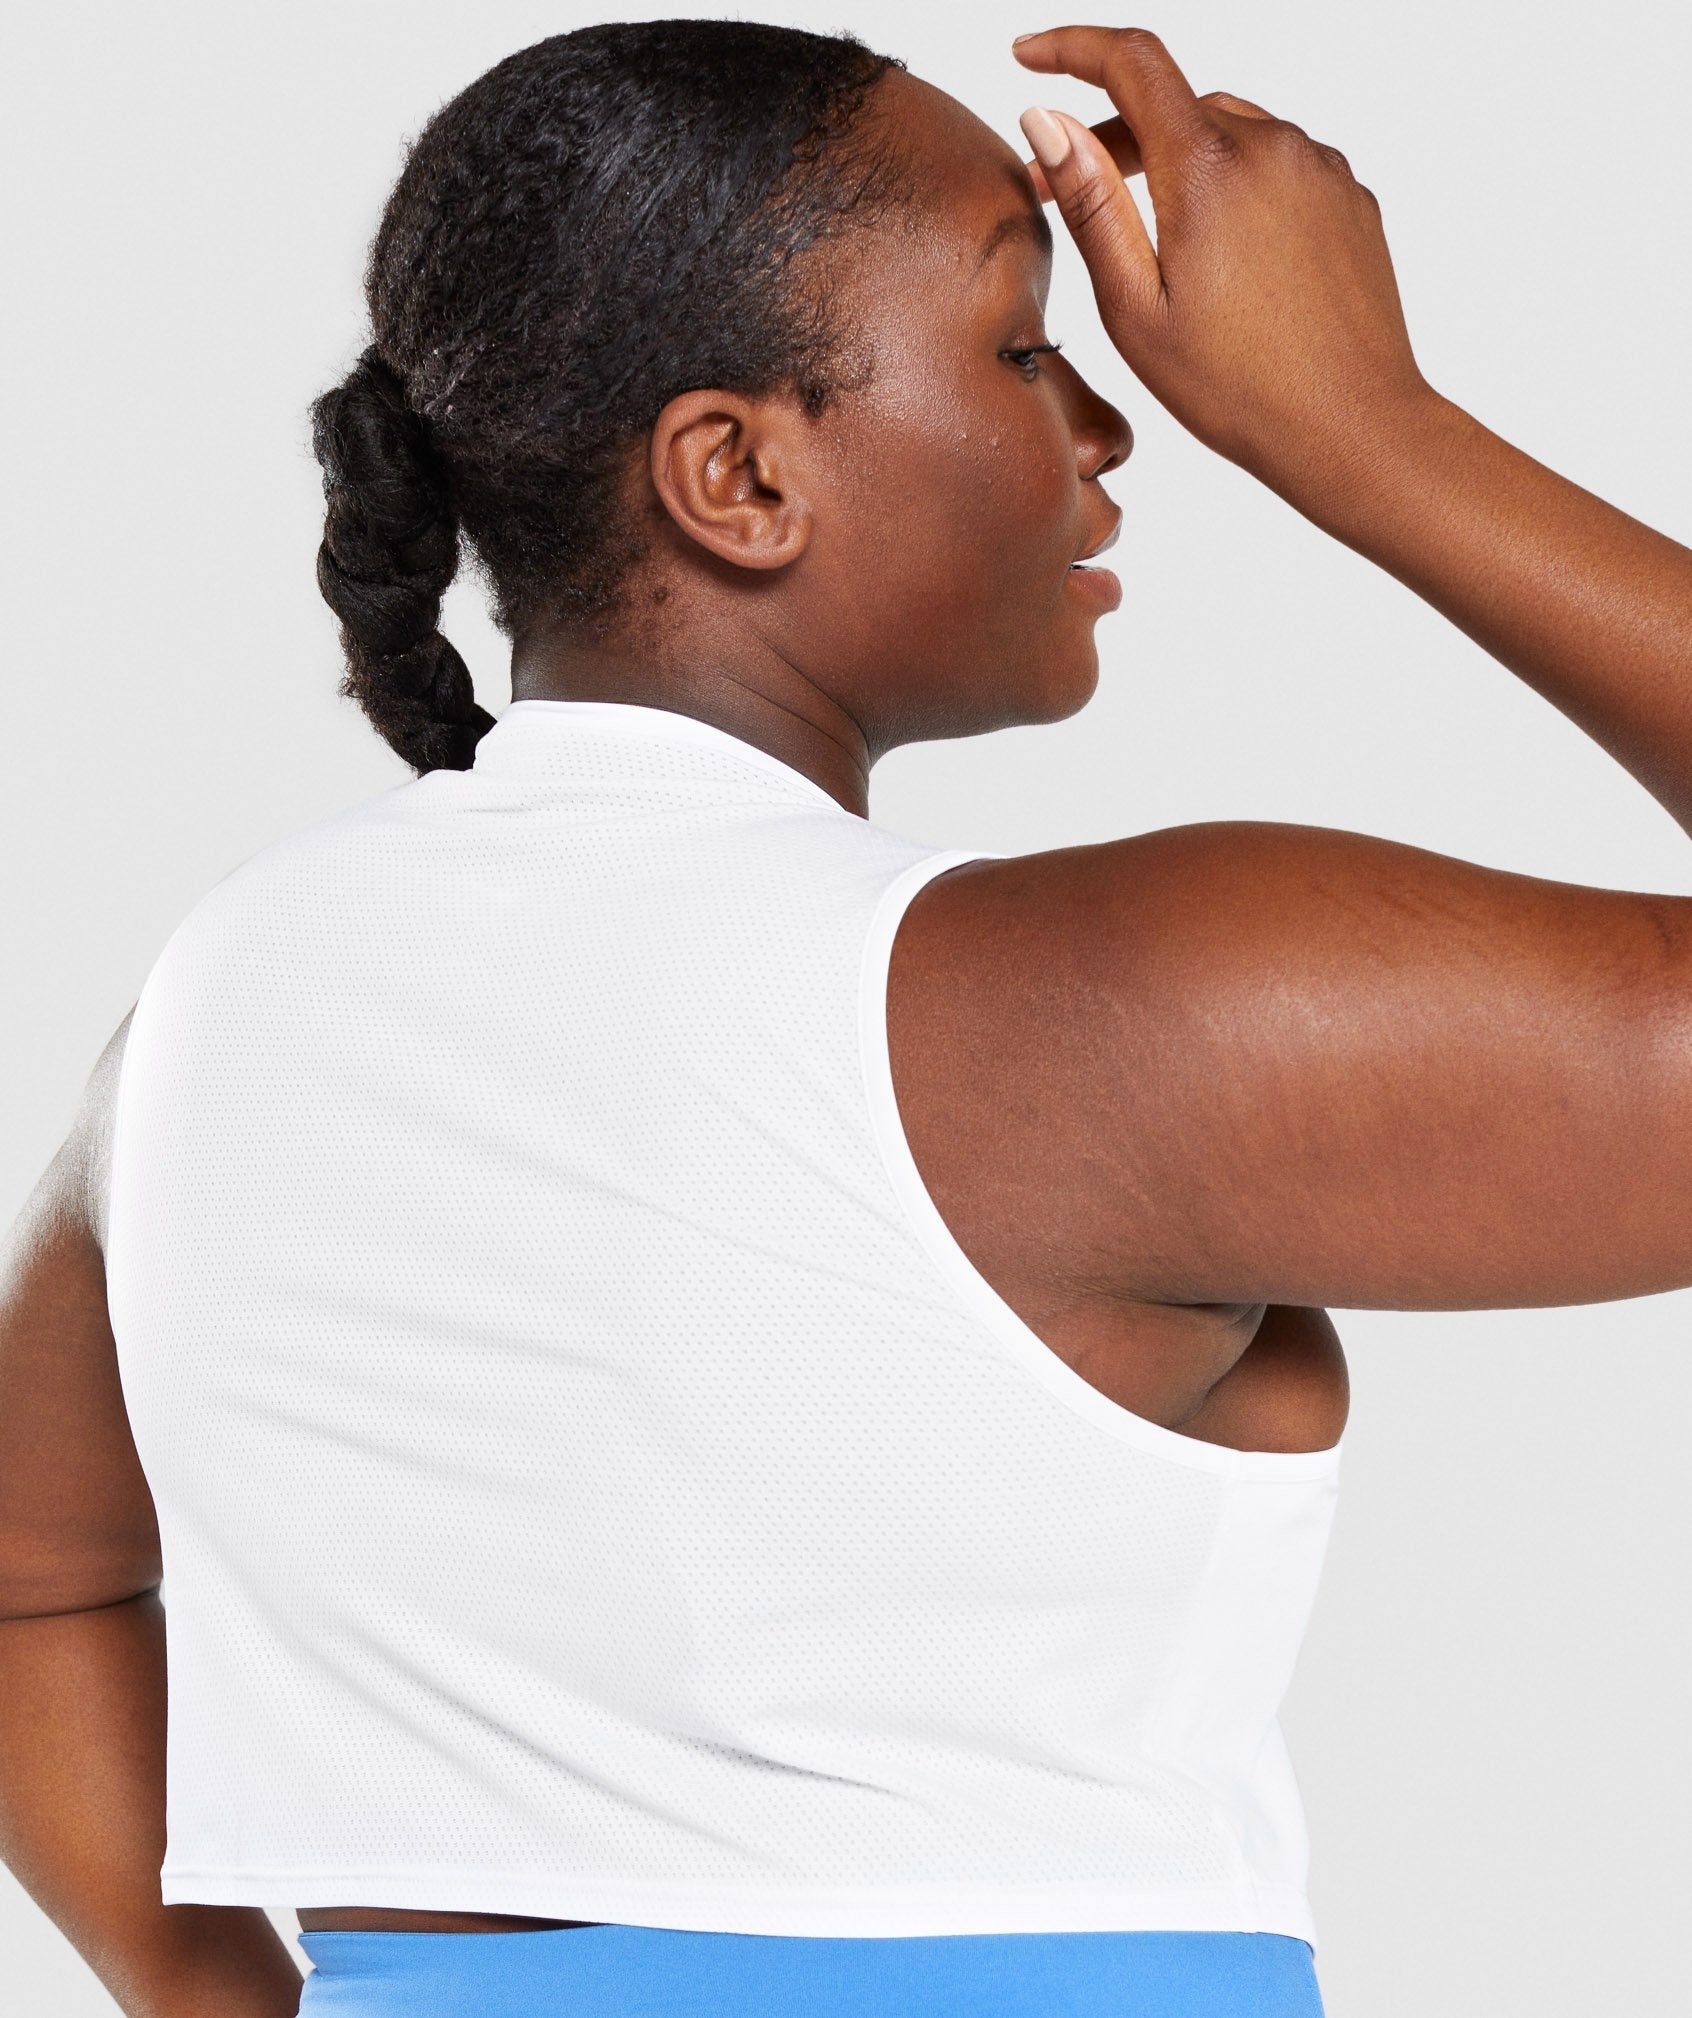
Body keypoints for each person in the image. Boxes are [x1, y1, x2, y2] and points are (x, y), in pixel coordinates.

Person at [3, 14, 1690, 2016]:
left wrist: (205, 1989)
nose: (1111, 422)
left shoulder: (216, 1015)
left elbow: (37, 1577)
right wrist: (1368, 424)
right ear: (736, 473)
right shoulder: (1103, 1015)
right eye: (1017, 341)